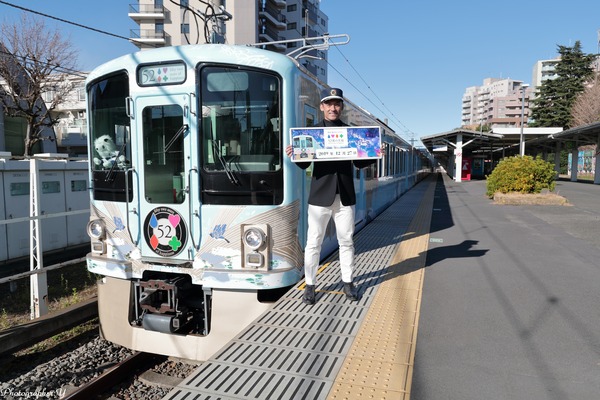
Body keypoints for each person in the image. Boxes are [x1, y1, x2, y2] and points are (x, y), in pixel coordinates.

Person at [285, 88, 376, 305]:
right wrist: (294, 155)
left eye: (337, 104)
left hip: (344, 196)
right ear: (322, 107)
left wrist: (374, 153)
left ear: (341, 107)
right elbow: (304, 163)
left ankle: (348, 282)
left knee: (346, 241)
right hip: (319, 197)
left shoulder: (350, 132)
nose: (333, 108)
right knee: (313, 242)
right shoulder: (312, 133)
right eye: (329, 103)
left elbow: (360, 162)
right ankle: (310, 286)